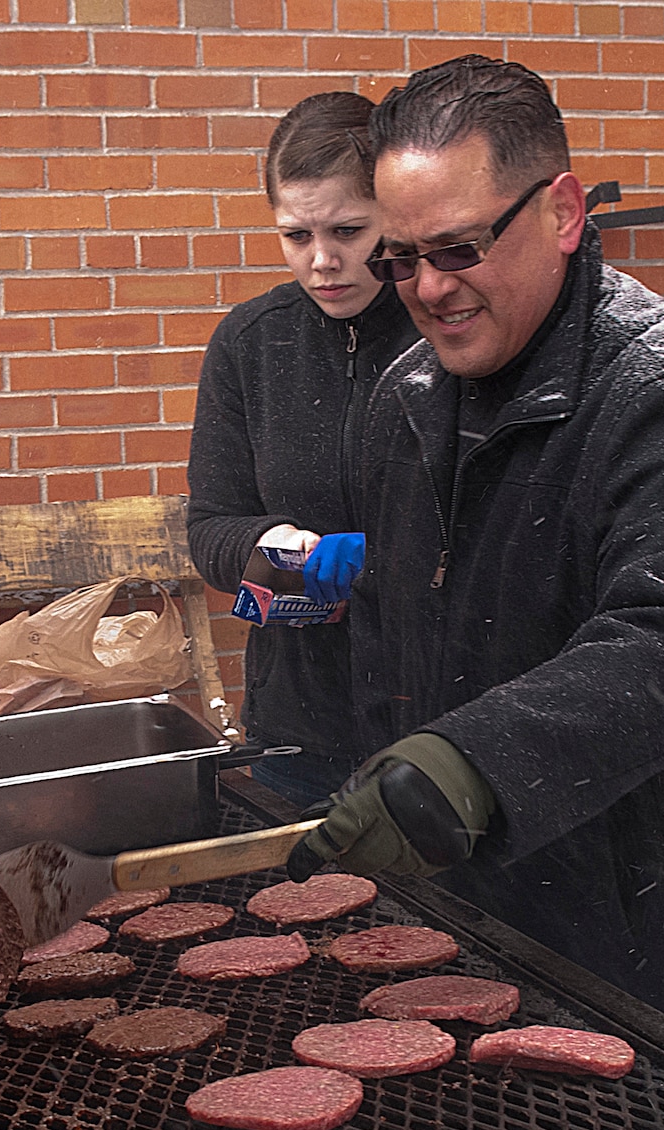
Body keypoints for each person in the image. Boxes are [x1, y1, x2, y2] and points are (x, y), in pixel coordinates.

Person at [287, 56, 664, 1098]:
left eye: (460, 247)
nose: (428, 288)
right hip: (499, 956)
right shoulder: (406, 398)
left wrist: (468, 765)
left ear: (563, 211)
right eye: (402, 257)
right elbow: (390, 641)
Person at [186, 92, 421, 807]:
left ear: (393, 215)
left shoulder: (443, 328)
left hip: (436, 721)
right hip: (300, 727)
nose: (323, 261)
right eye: (295, 235)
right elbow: (210, 526)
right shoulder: (250, 343)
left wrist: (383, 561)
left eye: (349, 230)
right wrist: (269, 544)